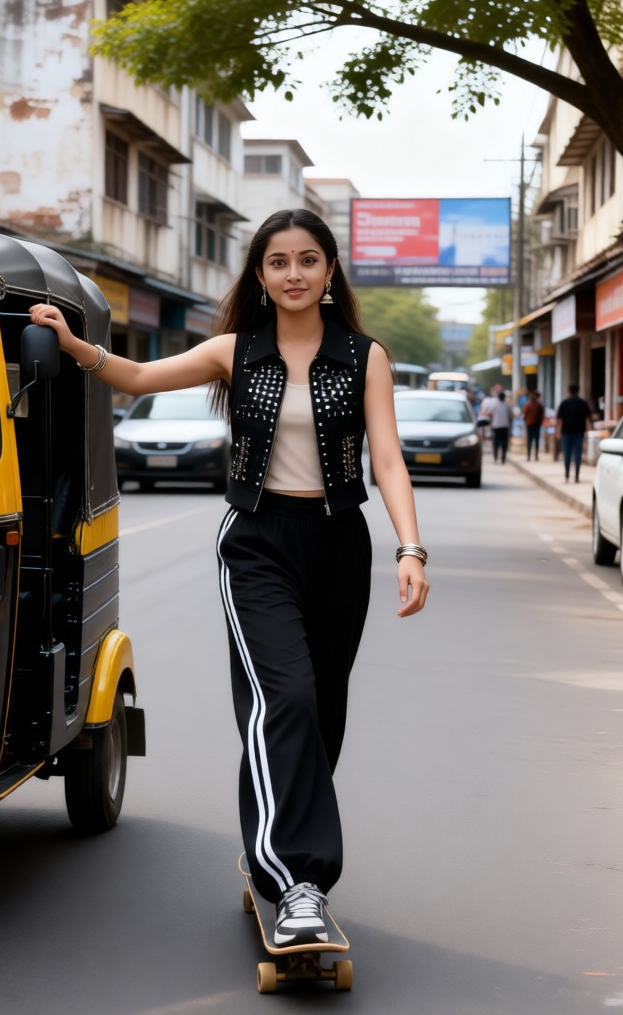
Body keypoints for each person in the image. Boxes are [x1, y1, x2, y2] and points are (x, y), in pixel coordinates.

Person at [29, 209, 429, 947]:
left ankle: (271, 839)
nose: (294, 273)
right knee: (287, 697)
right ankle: (298, 879)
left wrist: (410, 548)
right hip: (257, 543)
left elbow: (388, 459)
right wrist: (77, 347)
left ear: (330, 271)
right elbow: (138, 377)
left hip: (340, 546)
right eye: (278, 262)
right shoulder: (233, 351)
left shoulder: (365, 356)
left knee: (321, 713)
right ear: (260, 276)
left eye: (308, 260)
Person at [556, 383, 592, 482]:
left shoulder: (564, 403)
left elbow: (559, 420)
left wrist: (557, 432)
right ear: (578, 391)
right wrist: (589, 432)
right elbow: (587, 419)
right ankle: (576, 476)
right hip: (579, 432)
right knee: (577, 454)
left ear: (569, 391)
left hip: (566, 432)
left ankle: (567, 475)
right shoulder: (582, 403)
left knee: (567, 454)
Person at [489, 391, 513, 464]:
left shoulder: (494, 405)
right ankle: (503, 457)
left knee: (496, 443)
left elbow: (490, 414)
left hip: (496, 426)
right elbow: (510, 415)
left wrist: (491, 423)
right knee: (504, 443)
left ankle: (495, 456)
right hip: (505, 426)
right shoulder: (507, 405)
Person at [522, 390, 545, 461]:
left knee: (533, 440)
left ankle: (534, 455)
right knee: (532, 441)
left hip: (534, 425)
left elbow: (541, 415)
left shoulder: (537, 405)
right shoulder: (531, 405)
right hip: (532, 425)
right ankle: (530, 455)